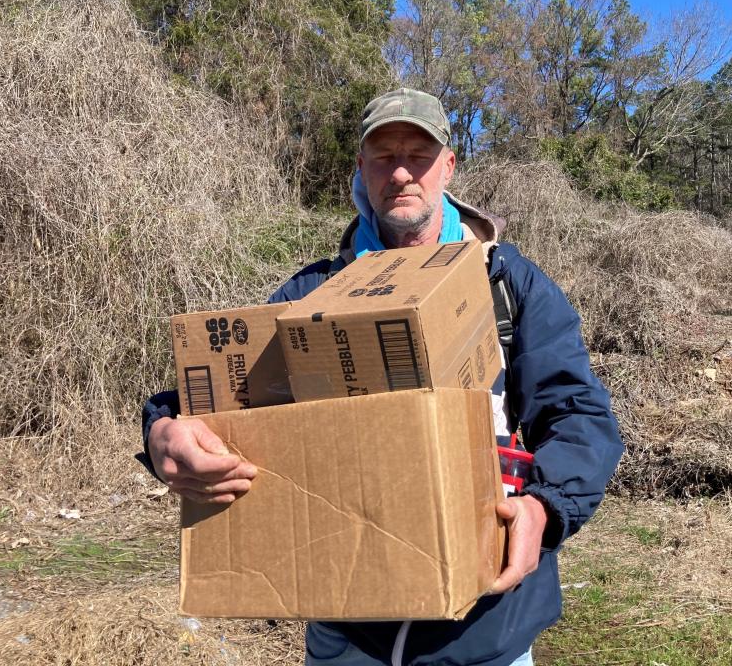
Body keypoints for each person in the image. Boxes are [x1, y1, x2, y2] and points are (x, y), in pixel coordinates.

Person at [140, 88, 624, 666]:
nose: (401, 173)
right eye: (382, 156)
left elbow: (579, 416)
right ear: (361, 171)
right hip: (347, 631)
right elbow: (229, 390)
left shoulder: (508, 286)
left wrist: (544, 509)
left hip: (486, 629)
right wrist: (163, 431)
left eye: (418, 155)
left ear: (448, 166)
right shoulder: (312, 293)